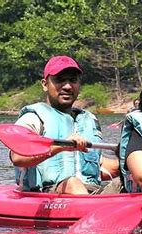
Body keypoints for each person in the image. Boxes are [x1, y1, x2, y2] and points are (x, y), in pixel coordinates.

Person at [11, 55, 120, 194]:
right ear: (45, 84)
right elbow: (18, 158)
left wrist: (128, 157)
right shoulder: (32, 118)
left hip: (90, 191)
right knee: (73, 183)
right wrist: (61, 147)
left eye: (73, 80)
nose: (68, 86)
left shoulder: (88, 119)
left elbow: (99, 167)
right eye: (60, 80)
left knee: (128, 179)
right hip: (48, 192)